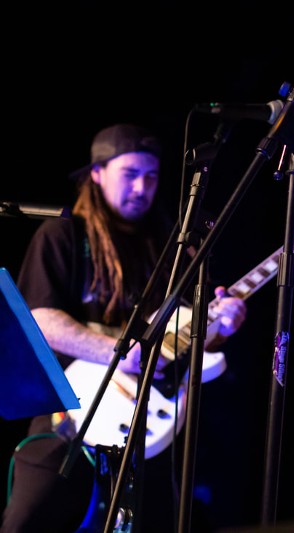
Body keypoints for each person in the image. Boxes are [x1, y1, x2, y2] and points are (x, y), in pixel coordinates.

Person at [1, 123, 247, 533]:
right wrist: (118, 353)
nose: (142, 186)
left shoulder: (170, 244)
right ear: (96, 174)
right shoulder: (63, 234)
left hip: (147, 429)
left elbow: (185, 333)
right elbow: (40, 323)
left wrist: (220, 326)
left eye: (150, 176)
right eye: (129, 174)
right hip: (68, 420)